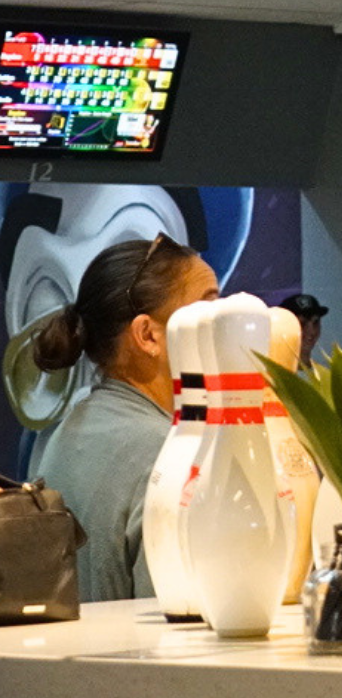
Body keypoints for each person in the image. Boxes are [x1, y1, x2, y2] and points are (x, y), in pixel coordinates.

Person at [27, 234, 220, 601]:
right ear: (148, 335)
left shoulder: (72, 426)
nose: (226, 326)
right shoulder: (167, 453)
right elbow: (183, 626)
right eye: (209, 311)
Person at [278, 293, 327, 369]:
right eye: (302, 323)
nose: (312, 331)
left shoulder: (325, 375)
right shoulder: (270, 374)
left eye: (315, 322)